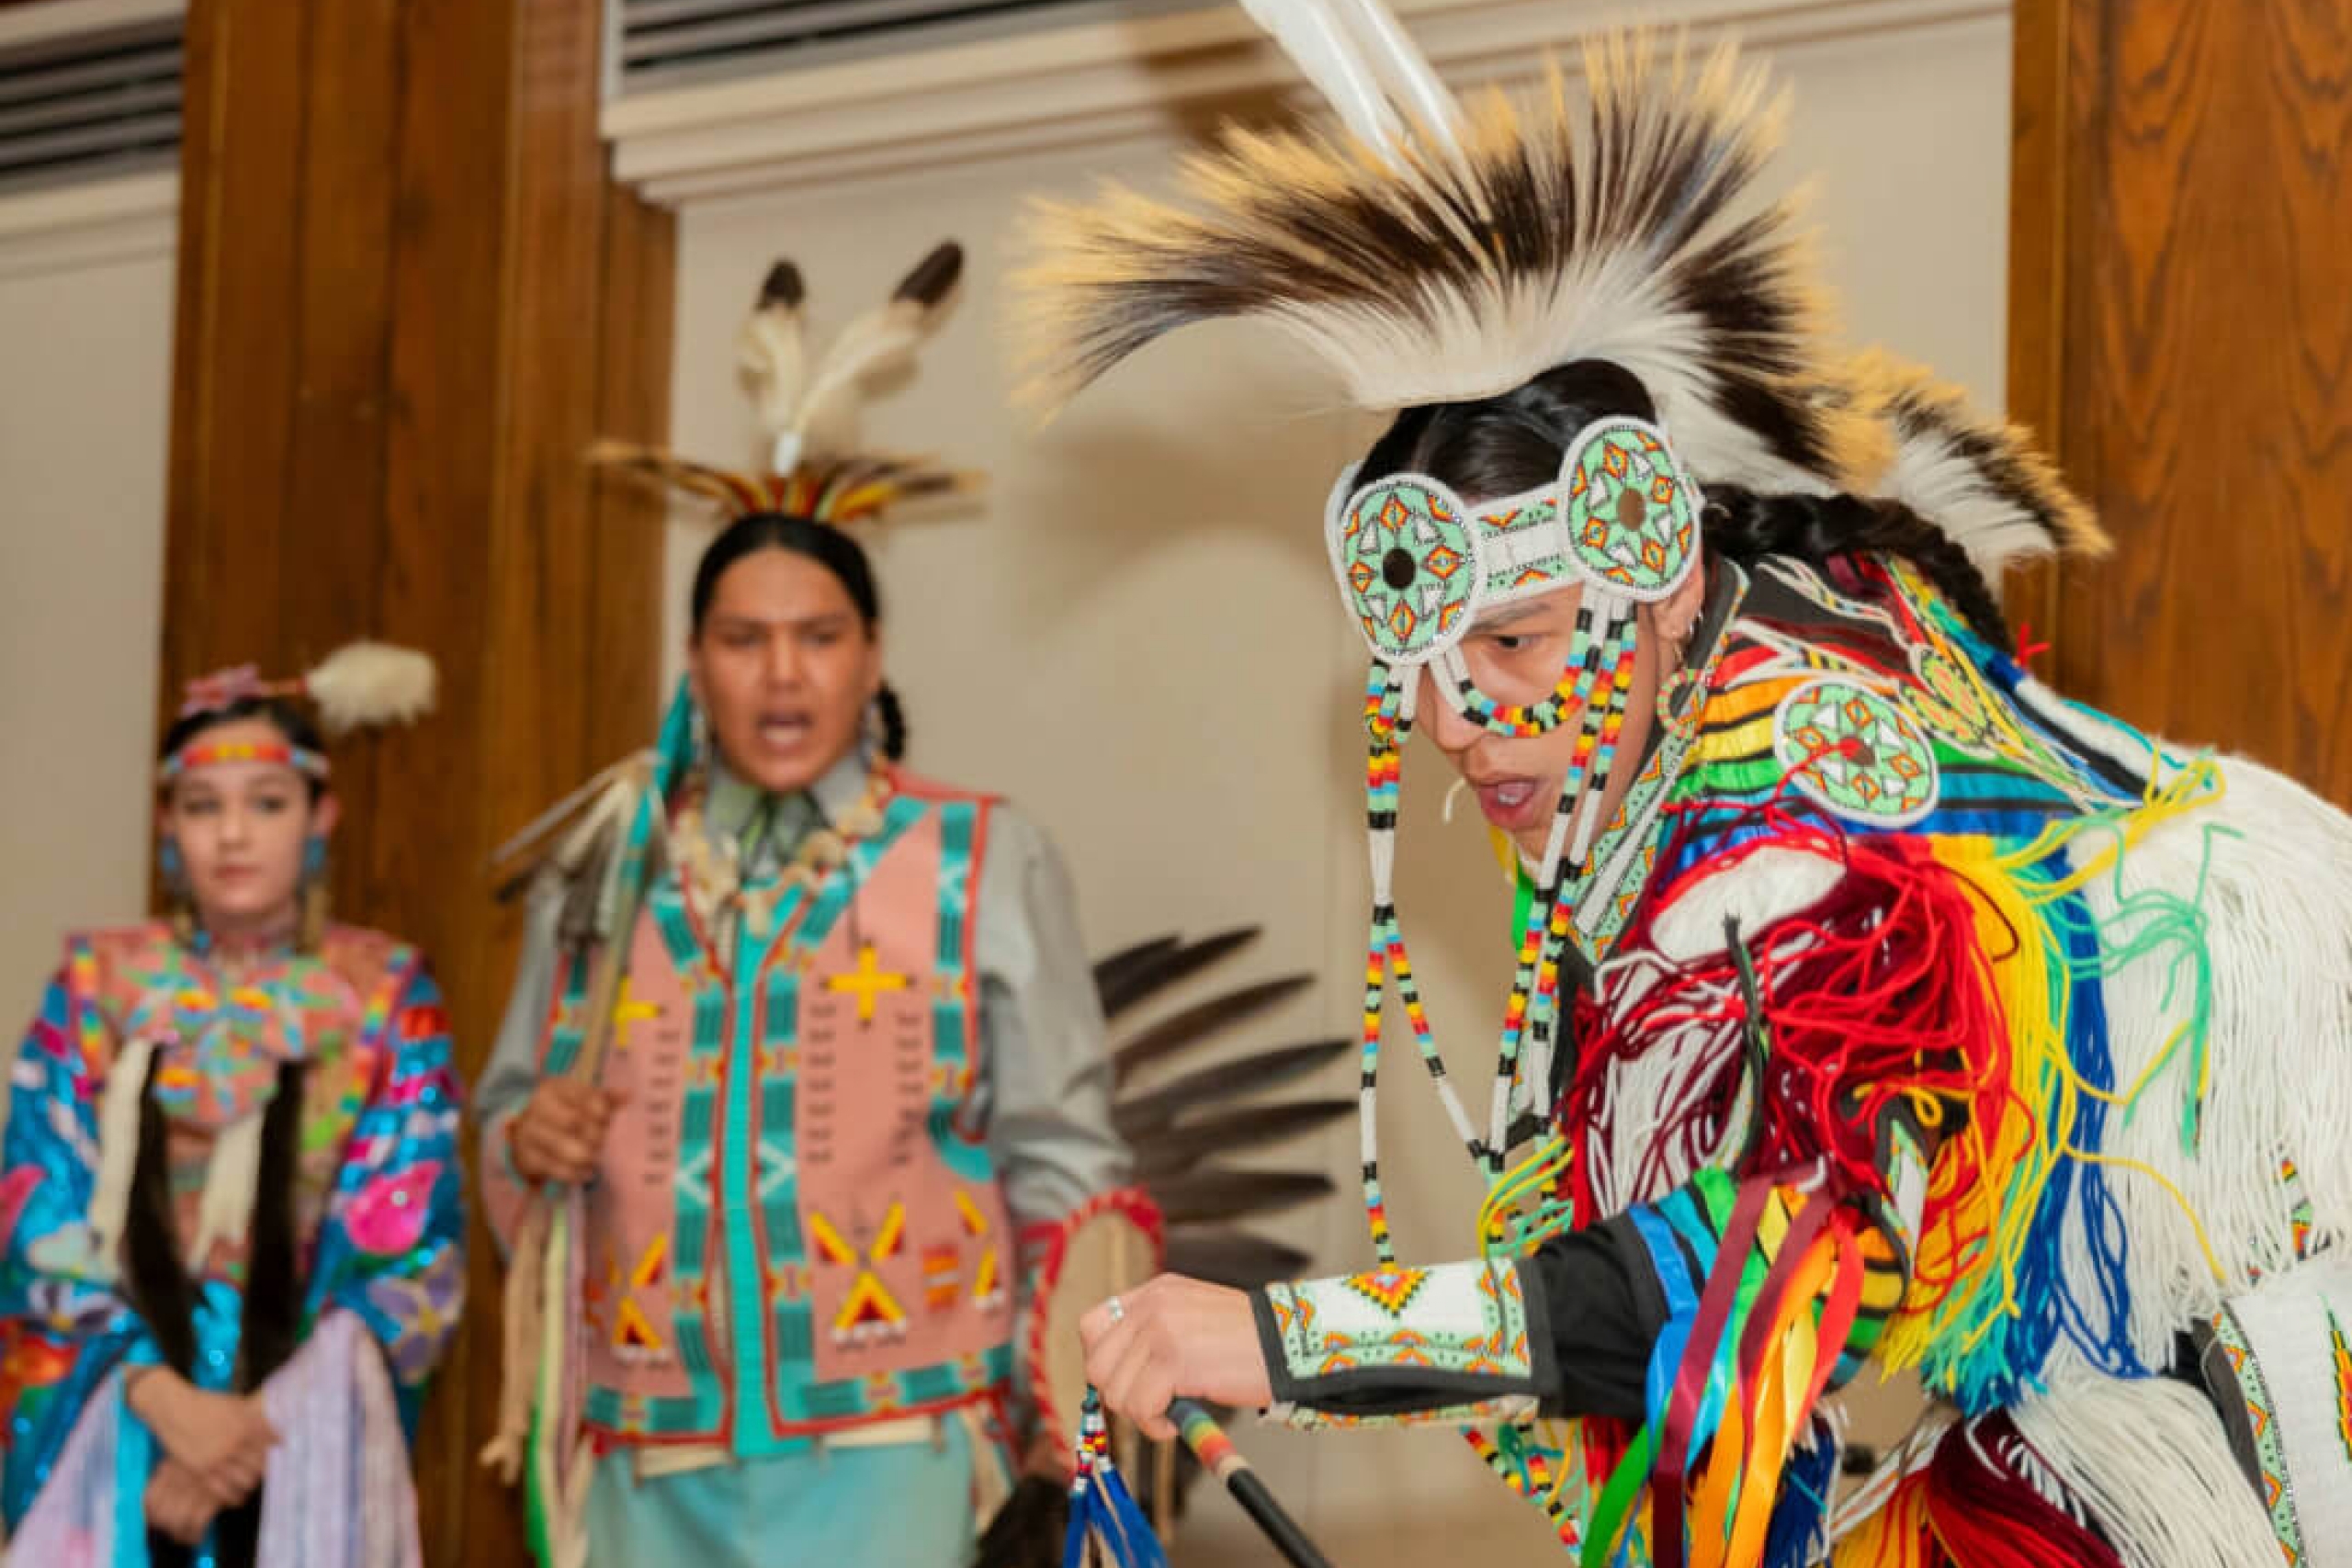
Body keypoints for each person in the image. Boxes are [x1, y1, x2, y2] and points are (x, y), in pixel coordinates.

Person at [1021, 11, 2351, 1565]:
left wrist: (1285, 1339)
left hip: (2259, 1312)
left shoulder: (1798, 809)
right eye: (1425, 672)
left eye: (1511, 642)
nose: (1460, 718)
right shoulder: (1703, 723)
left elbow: (1751, 1271)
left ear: (1656, 588)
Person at [476, 242, 1143, 1568]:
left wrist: (1073, 1411)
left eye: (819, 634)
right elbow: (506, 1117)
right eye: (742, 637)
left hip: (898, 1454)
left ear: (871, 654)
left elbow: (1070, 1160)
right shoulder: (607, 867)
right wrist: (527, 1137)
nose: (782, 673)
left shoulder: (978, 855)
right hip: (646, 1462)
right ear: (695, 661)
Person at [1, 646, 463, 1567]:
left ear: (320, 818)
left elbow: (410, 1243)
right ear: (168, 826)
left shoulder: (381, 996)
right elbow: (35, 1211)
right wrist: (164, 1405)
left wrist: (244, 1436)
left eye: (267, 804)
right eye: (204, 808)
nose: (234, 836)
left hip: (299, 1440)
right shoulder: (98, 988)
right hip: (121, 1419)